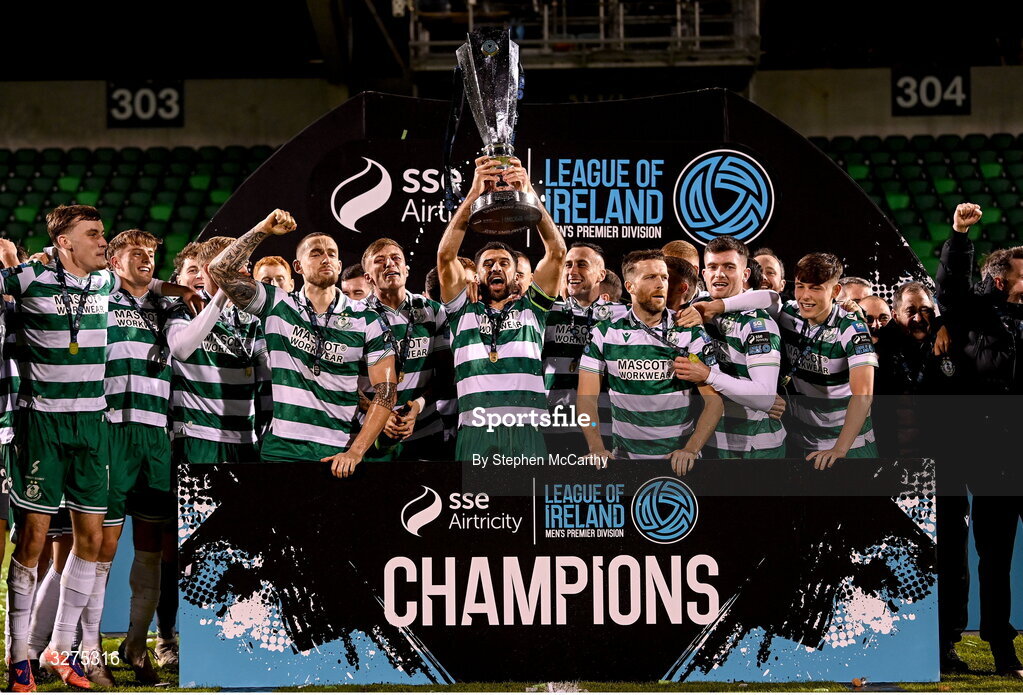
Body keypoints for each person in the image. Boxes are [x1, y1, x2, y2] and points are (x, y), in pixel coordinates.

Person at [0, 205, 199, 691]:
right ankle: (16, 655)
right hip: (41, 425)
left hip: (94, 428)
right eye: (94, 235)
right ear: (64, 242)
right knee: (31, 545)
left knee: (89, 544)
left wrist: (187, 292)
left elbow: (145, 287)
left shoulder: (105, 285)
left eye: (105, 234)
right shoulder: (26, 279)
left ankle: (61, 649)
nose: (103, 242)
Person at [209, 211, 397, 475]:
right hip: (280, 451)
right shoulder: (277, 303)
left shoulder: (367, 320)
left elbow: (386, 392)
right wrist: (263, 228)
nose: (326, 258)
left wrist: (357, 451)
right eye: (316, 253)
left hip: (337, 454)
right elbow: (219, 270)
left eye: (332, 253)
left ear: (340, 264)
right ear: (298, 267)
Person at [936, 202, 1023, 679]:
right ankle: (1000, 652)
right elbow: (947, 286)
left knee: (998, 555)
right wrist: (960, 237)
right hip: (984, 449)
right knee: (991, 555)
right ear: (999, 278)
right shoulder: (973, 309)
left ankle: (1004, 649)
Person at [436, 155, 565, 461]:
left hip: (526, 431)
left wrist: (530, 193)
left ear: (516, 272)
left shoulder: (533, 308)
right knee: (475, 511)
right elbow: (445, 256)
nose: (496, 267)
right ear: (477, 274)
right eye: (488, 263)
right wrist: (473, 195)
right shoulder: (462, 310)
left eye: (504, 263)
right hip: (475, 431)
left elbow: (557, 252)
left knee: (528, 509)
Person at [871, 280, 967, 672]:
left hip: (947, 471)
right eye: (909, 310)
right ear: (896, 315)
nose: (918, 316)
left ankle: (947, 643)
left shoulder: (951, 343)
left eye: (925, 308)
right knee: (901, 563)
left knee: (952, 560)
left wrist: (946, 324)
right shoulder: (880, 349)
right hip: (899, 474)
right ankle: (896, 642)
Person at [102, 229, 177, 686]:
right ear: (113, 260)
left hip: (156, 436)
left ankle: (135, 646)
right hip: (110, 434)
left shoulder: (167, 306)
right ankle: (84, 650)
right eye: (136, 253)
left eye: (151, 254)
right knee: (100, 551)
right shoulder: (97, 298)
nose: (147, 259)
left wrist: (179, 289)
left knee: (150, 549)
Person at [577, 249, 722, 472]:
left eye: (664, 277)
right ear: (630, 287)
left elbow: (714, 401)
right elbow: (586, 400)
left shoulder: (690, 333)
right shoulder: (605, 333)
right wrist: (596, 447)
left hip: (678, 463)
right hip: (623, 461)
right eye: (650, 277)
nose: (660, 283)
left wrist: (691, 450)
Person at [674, 237, 787, 458]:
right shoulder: (697, 306)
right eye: (713, 267)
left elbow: (764, 397)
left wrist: (707, 374)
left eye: (729, 267)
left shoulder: (758, 324)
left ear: (745, 275)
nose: (720, 274)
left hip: (755, 447)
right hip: (710, 440)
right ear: (704, 275)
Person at [360, 238, 449, 461]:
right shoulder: (354, 317)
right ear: (368, 277)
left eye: (395, 258)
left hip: (425, 431)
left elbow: (447, 373)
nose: (389, 264)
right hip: (371, 436)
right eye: (380, 261)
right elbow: (341, 380)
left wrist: (418, 406)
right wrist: (378, 414)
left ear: (406, 271)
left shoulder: (432, 311)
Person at [543, 243, 628, 453]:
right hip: (553, 427)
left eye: (582, 265)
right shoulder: (547, 312)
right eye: (568, 265)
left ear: (601, 274)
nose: (573, 271)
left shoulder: (623, 316)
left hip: (605, 429)